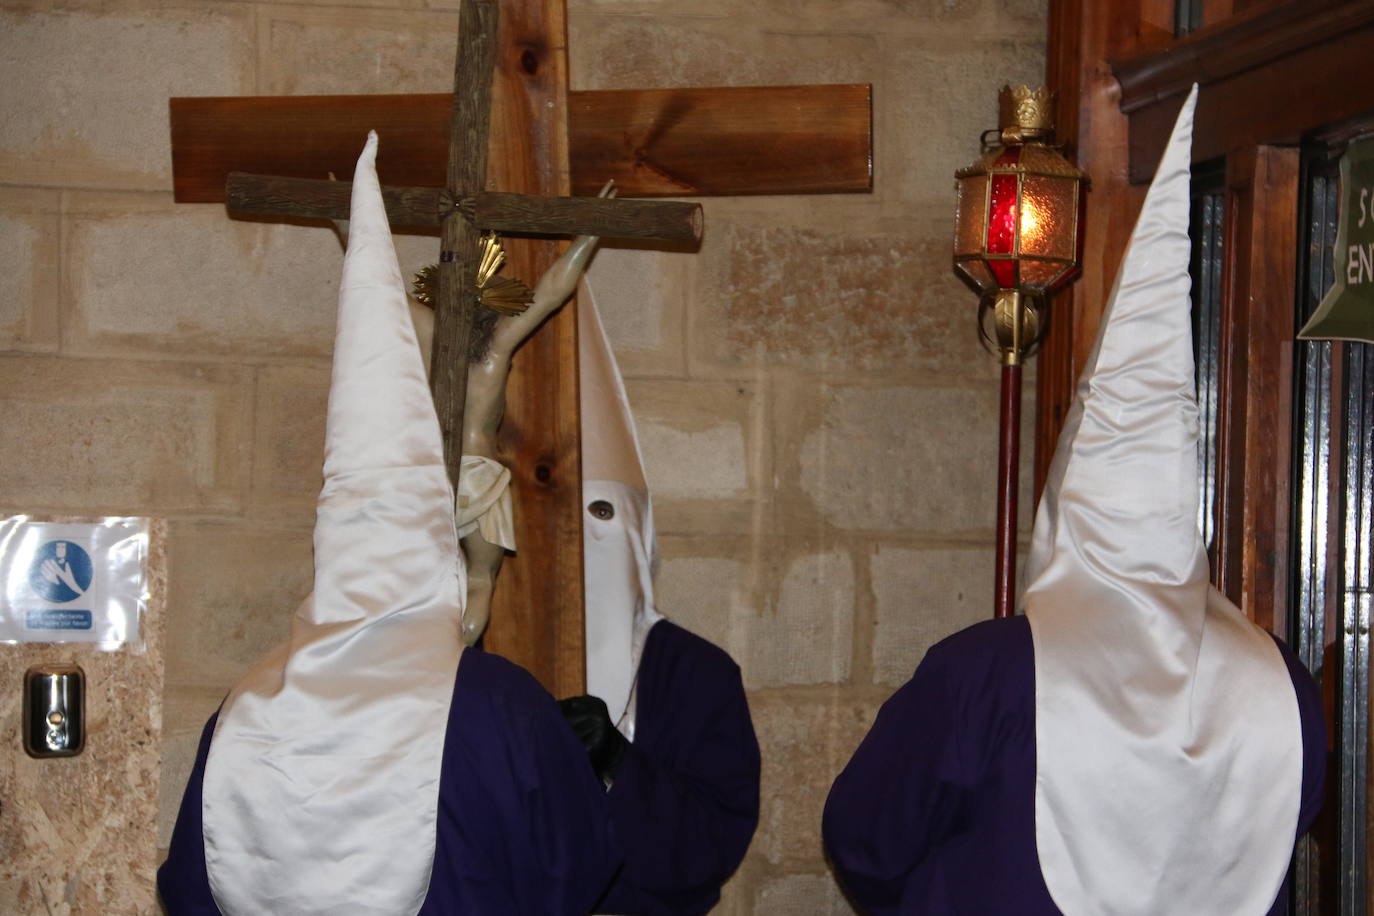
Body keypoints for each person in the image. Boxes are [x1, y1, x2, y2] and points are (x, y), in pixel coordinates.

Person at [823, 87, 1325, 916]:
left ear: (1068, 504)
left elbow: (868, 838)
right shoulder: (1283, 684)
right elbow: (1284, 828)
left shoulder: (988, 673)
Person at [158, 132, 619, 915]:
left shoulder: (248, 707)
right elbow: (578, 867)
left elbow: (190, 884)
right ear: (427, 555)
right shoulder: (500, 707)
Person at [556, 274, 761, 914]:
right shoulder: (487, 659)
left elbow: (715, 840)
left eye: (603, 519)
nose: (588, 546)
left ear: (641, 540)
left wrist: (619, 764)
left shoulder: (697, 675)